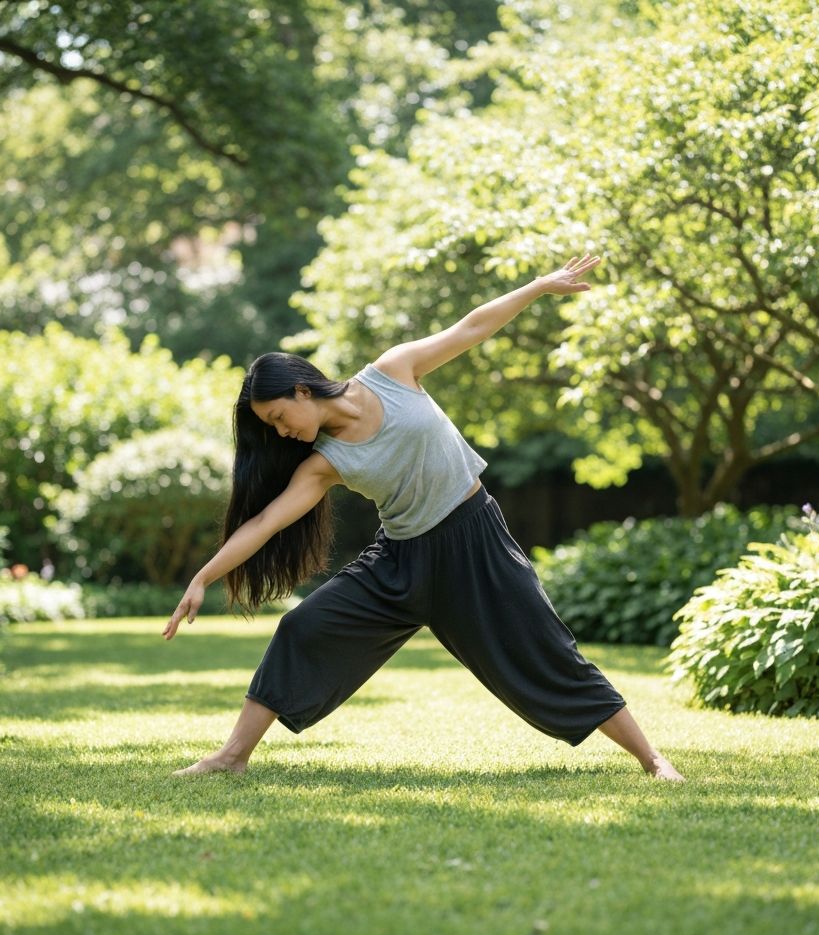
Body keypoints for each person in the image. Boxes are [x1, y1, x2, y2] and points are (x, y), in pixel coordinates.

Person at [162, 254, 685, 782]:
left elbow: (471, 327)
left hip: (475, 542)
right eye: (271, 427)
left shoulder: (393, 371)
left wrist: (538, 287)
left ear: (301, 390)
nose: (280, 432)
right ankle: (232, 756)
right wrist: (204, 576)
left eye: (278, 417)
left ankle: (652, 758)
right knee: (302, 627)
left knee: (547, 648)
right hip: (400, 562)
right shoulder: (323, 464)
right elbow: (265, 523)